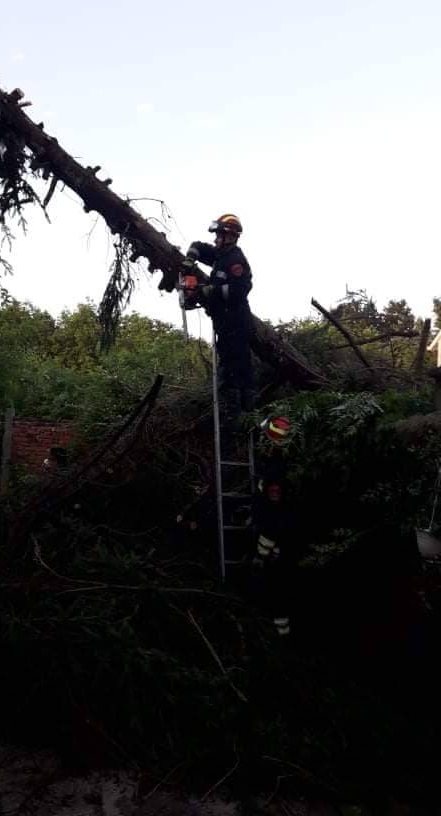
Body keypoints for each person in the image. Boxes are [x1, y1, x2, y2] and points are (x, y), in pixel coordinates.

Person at [183, 213, 254, 414]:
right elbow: (199, 246)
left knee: (236, 371)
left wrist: (210, 290)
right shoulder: (220, 255)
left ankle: (238, 415)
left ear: (229, 237)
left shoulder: (235, 261)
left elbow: (241, 289)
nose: (215, 240)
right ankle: (235, 411)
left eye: (219, 236)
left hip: (236, 325)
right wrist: (190, 259)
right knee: (231, 367)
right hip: (225, 324)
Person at [252, 416, 298, 637]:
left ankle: (281, 635)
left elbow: (272, 526)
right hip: (280, 547)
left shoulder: (275, 475)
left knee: (277, 592)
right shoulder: (277, 465)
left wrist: (262, 555)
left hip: (278, 552)